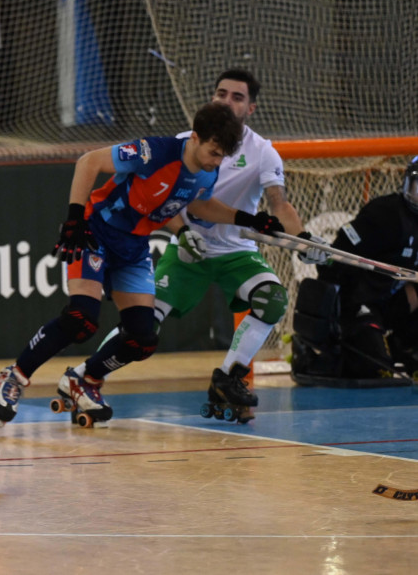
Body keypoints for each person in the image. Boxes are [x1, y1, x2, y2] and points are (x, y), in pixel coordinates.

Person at [0, 101, 284, 427]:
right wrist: (74, 219)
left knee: (142, 338)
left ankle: (85, 381)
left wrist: (250, 219)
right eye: (213, 151)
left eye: (223, 155)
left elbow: (200, 204)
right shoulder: (153, 152)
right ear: (195, 137)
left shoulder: (207, 170)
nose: (217, 161)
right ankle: (13, 376)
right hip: (96, 232)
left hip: (134, 248)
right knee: (82, 318)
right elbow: (89, 162)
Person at [97, 68, 328, 422]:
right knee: (142, 325)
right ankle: (88, 378)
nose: (226, 101)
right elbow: (163, 201)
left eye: (237, 97)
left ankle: (227, 378)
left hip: (236, 252)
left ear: (251, 108)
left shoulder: (264, 152)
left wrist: (302, 242)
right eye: (221, 93)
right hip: (188, 250)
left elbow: (279, 204)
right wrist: (181, 233)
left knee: (272, 300)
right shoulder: (185, 142)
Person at [299, 156, 418, 380]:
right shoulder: (386, 214)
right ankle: (320, 352)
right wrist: (334, 316)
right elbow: (336, 256)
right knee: (373, 369)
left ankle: (402, 347)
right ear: (407, 185)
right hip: (359, 302)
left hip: (393, 302)